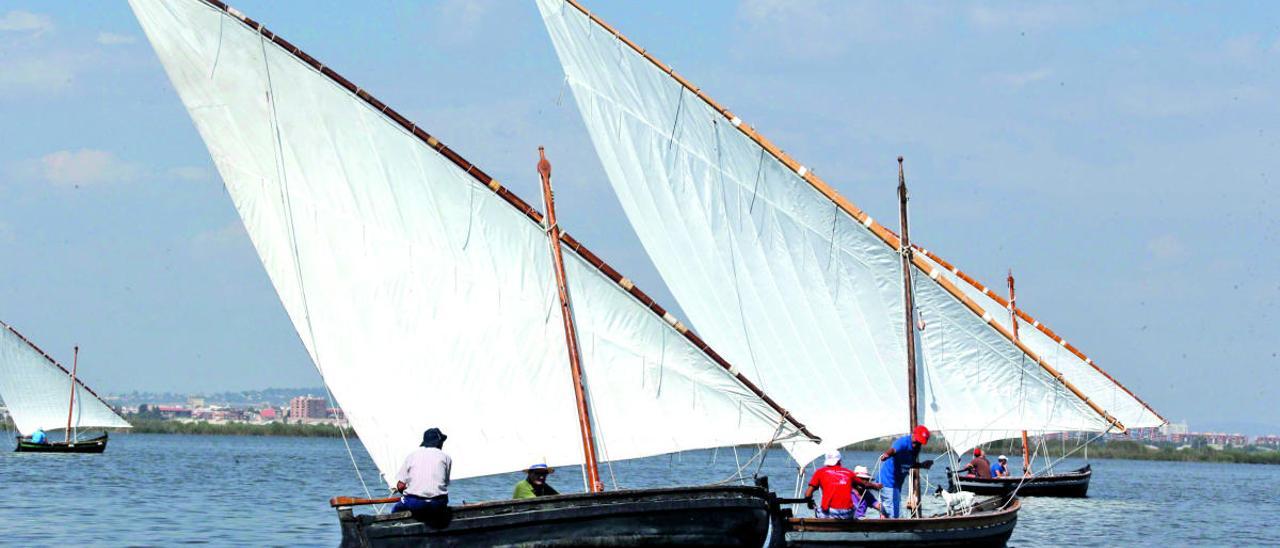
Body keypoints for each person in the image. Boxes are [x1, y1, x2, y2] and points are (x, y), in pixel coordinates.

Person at [393, 427, 451, 520]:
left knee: (396, 508)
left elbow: (400, 486)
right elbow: (445, 483)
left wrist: (405, 493)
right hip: (438, 502)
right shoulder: (446, 457)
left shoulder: (412, 456)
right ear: (439, 442)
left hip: (415, 502)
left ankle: (395, 526)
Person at [877, 425, 934, 518]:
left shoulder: (915, 449)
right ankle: (890, 530)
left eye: (920, 443)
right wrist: (887, 454)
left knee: (893, 512)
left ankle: (886, 526)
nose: (917, 444)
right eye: (916, 442)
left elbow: (909, 464)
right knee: (892, 514)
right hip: (887, 481)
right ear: (913, 435)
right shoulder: (903, 442)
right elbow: (893, 450)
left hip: (896, 484)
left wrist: (922, 465)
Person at [804, 450, 873, 519]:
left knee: (817, 509)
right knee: (854, 508)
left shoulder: (820, 472)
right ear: (839, 460)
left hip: (830, 513)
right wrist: (876, 485)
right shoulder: (849, 473)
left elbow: (808, 494)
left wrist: (810, 504)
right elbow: (864, 484)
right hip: (847, 513)